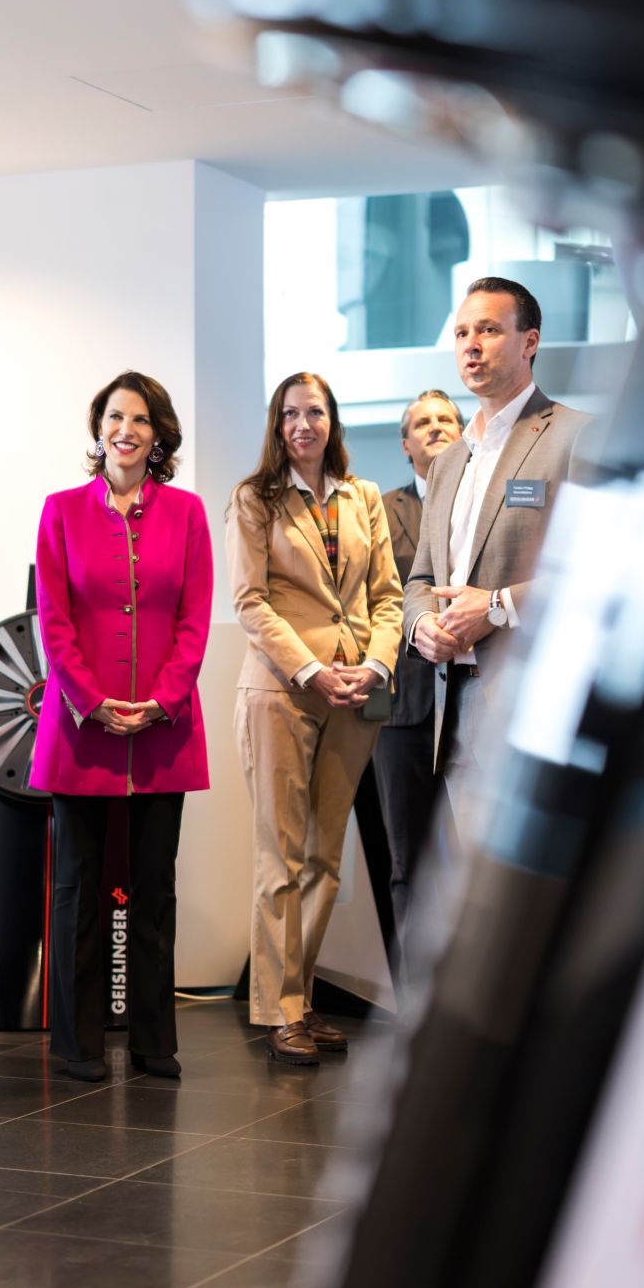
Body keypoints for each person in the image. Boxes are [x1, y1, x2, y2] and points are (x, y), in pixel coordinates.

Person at [30, 372, 212, 1083]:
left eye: (139, 419)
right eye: (114, 417)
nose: (125, 430)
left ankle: (151, 1041)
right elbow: (53, 618)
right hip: (81, 728)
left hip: (162, 731)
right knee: (76, 888)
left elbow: (194, 622)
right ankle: (75, 1044)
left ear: (158, 435)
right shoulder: (60, 511)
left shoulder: (188, 513)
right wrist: (89, 698)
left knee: (152, 889)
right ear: (97, 428)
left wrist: (162, 700)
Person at [227, 372, 402, 1065]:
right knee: (281, 855)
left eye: (315, 412)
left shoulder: (362, 497)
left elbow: (387, 598)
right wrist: (309, 668)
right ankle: (279, 1013)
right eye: (290, 414)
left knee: (326, 859)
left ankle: (300, 1001)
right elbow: (248, 601)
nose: (303, 424)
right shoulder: (255, 498)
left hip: (355, 694)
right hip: (282, 692)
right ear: (277, 425)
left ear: (333, 421)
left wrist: (377, 664)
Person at [403, 277, 591, 831]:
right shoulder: (446, 463)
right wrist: (421, 628)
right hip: (452, 703)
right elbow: (419, 579)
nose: (471, 344)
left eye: (488, 329)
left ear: (529, 341)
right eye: (462, 332)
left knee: (536, 900)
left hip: (532, 704)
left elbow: (595, 573)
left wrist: (499, 605)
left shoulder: (574, 436)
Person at [373, 389, 464, 974]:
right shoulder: (380, 510)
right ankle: (415, 1008)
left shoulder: (486, 503)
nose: (435, 428)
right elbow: (371, 601)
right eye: (422, 423)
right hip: (402, 709)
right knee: (408, 858)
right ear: (405, 444)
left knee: (477, 859)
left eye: (445, 419)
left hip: (477, 696)